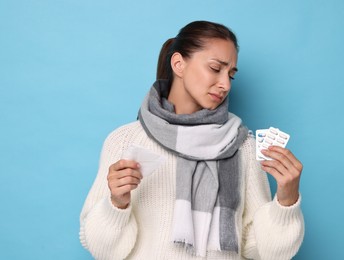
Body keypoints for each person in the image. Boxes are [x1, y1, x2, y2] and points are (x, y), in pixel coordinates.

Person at [79, 20, 304, 260]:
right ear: (178, 64)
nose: (225, 84)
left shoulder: (242, 146)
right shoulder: (125, 141)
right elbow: (103, 250)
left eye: (231, 75)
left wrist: (287, 200)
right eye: (216, 68)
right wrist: (117, 204)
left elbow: (259, 250)